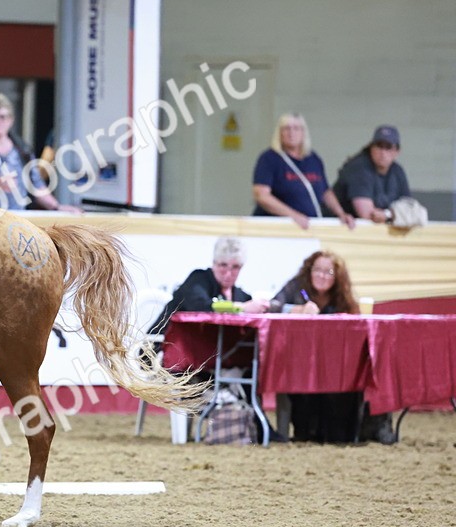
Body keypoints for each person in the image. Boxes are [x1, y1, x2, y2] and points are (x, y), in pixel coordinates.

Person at [267, 251, 364, 443]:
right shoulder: (297, 287)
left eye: (328, 272)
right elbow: (272, 306)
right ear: (309, 271)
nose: (321, 276)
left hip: (333, 364)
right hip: (299, 360)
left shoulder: (342, 297)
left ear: (337, 277)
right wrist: (296, 310)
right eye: (317, 270)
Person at [0, 94, 82, 213]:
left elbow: (36, 185)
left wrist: (58, 207)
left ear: (11, 120)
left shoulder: (22, 150)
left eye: (3, 117)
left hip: (18, 220)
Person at [251, 113, 355, 230]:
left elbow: (325, 192)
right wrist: (293, 216)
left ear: (303, 133)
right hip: (280, 228)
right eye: (286, 128)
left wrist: (340, 213)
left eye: (296, 128)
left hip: (309, 226)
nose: (291, 133)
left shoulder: (313, 158)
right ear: (279, 133)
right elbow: (261, 195)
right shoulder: (269, 159)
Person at [149, 236, 270, 334]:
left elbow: (252, 306)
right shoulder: (198, 279)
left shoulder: (239, 295)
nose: (228, 273)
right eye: (223, 265)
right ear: (214, 263)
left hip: (210, 357)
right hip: (161, 349)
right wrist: (241, 307)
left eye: (235, 267)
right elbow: (200, 306)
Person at [333, 125, 411, 224]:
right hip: (338, 228)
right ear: (371, 148)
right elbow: (368, 215)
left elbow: (410, 208)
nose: (383, 152)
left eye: (388, 147)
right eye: (379, 146)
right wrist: (396, 215)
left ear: (397, 152)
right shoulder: (359, 167)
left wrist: (387, 215)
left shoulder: (397, 171)